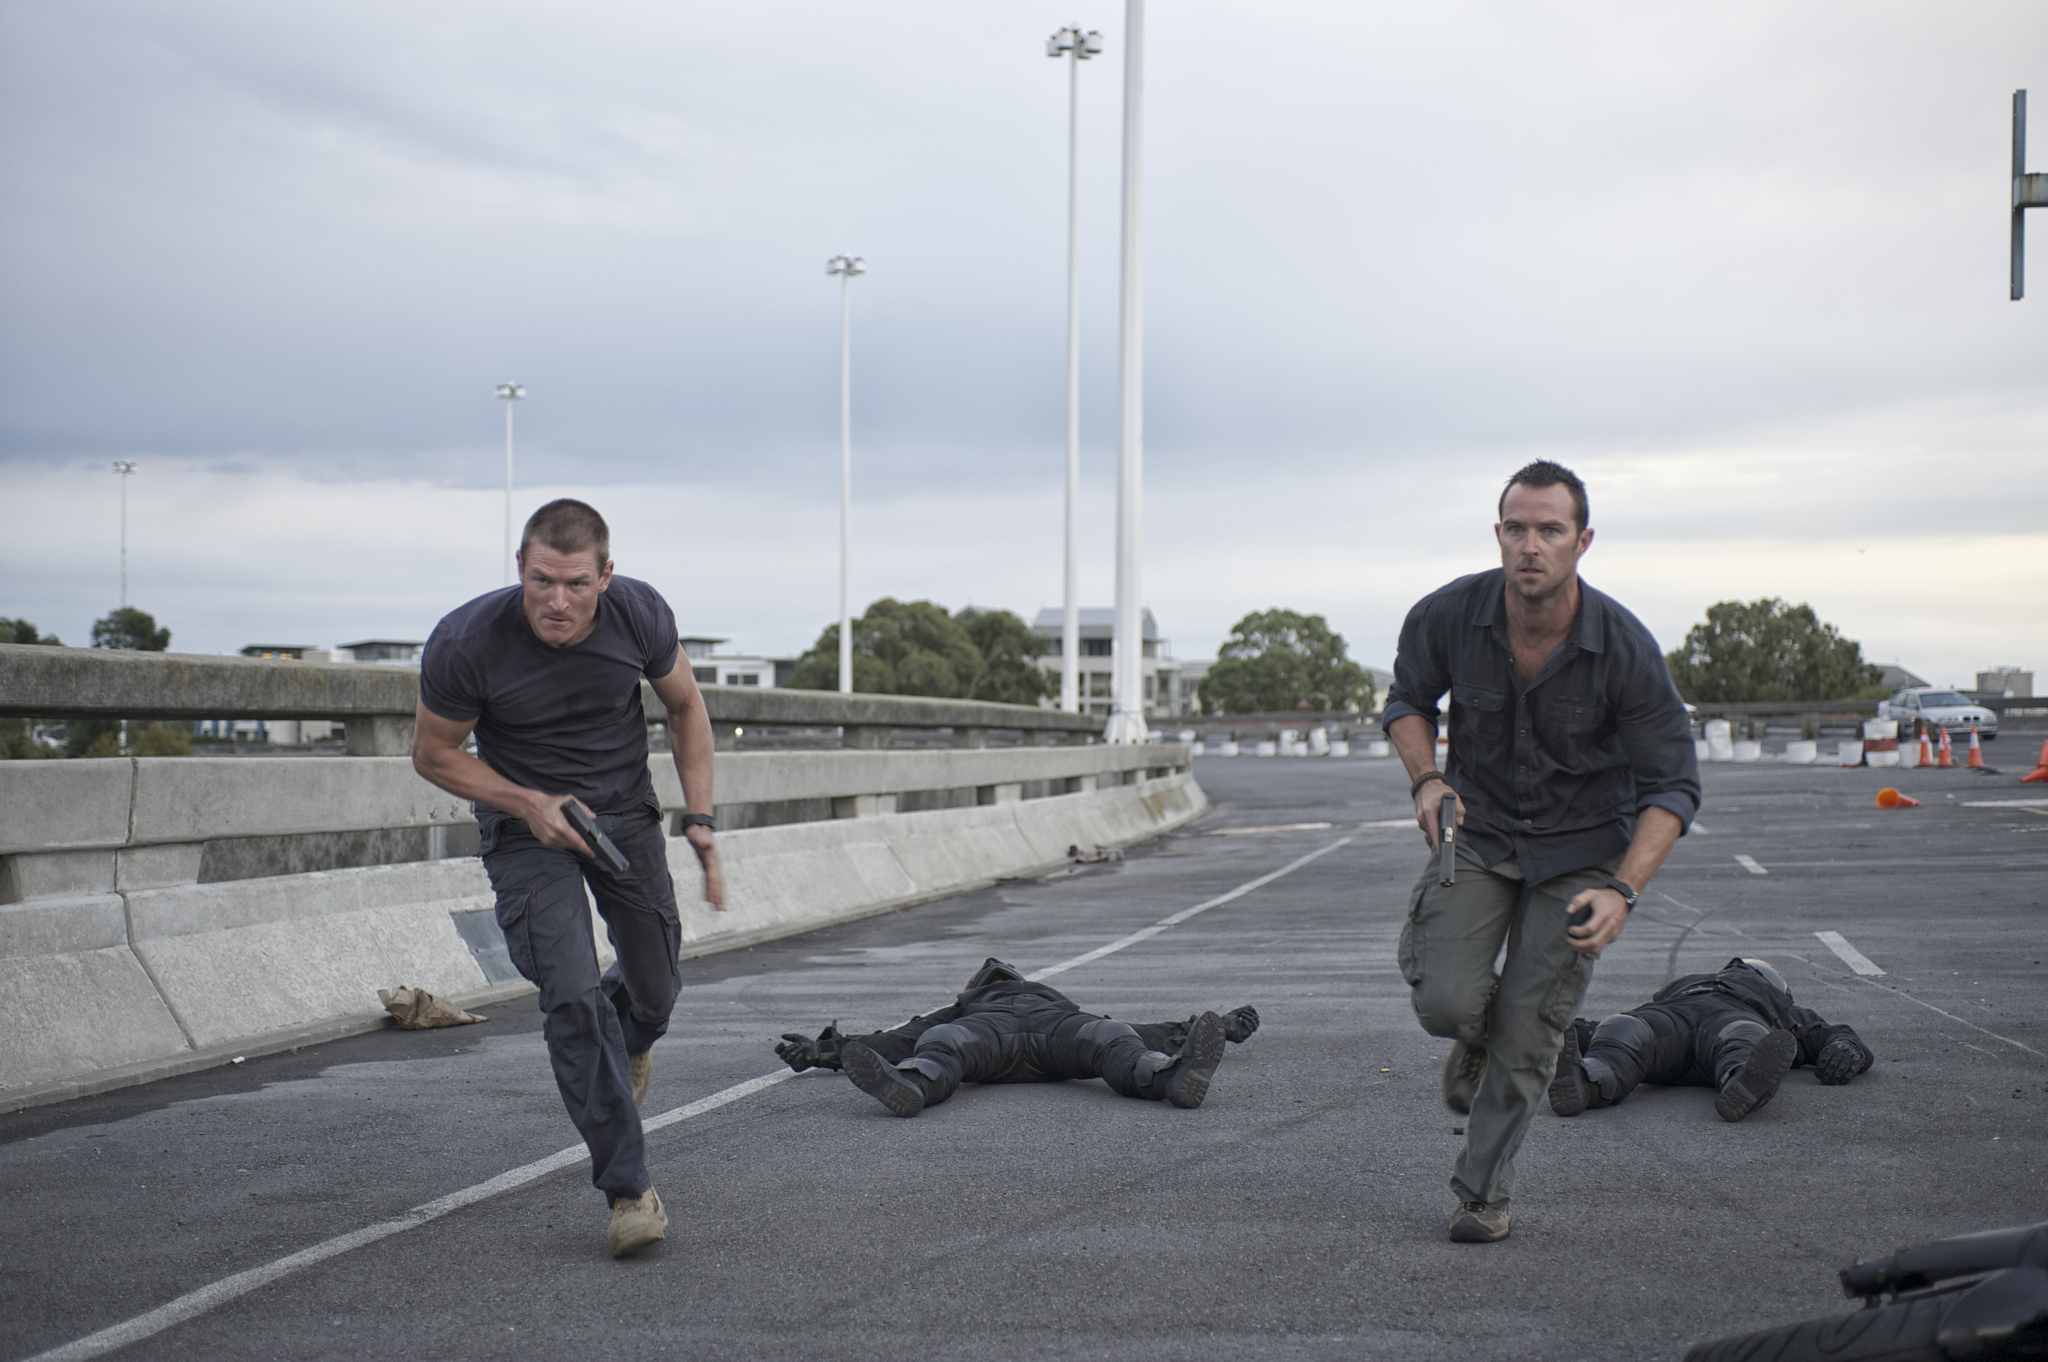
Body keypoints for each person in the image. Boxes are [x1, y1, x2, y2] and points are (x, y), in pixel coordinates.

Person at [1381, 460, 1701, 1244]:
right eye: (1517, 528)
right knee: (1447, 1003)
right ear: (1498, 535)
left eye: (1550, 530)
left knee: (1530, 1032)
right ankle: (1473, 1040)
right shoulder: (1448, 615)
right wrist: (1426, 778)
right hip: (1482, 834)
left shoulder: (1622, 646)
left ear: (1582, 541)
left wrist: (1624, 890)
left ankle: (1480, 1194)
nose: (1532, 545)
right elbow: (1406, 703)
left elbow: (1673, 787)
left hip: (1586, 852)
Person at [411, 499, 724, 1259]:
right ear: (520, 568)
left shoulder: (640, 614)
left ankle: (627, 1037)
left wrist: (702, 820)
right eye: (543, 581)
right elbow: (432, 754)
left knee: (655, 990)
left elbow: (685, 706)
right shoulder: (465, 641)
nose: (559, 601)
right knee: (572, 995)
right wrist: (527, 802)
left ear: (606, 577)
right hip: (526, 833)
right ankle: (628, 1189)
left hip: (624, 815)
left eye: (577, 584)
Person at [773, 957, 1260, 1116]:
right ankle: (911, 1087)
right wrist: (824, 1052)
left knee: (1116, 1037)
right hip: (1014, 1036)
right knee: (937, 1043)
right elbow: (897, 1040)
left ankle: (1171, 1077)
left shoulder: (1050, 1004)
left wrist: (1217, 1030)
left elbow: (1141, 1032)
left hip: (1032, 1034)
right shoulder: (963, 1009)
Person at [1549, 957, 1873, 1122]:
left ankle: (1743, 1081)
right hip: (1685, 1020)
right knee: (1623, 1028)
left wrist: (1846, 1050)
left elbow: (1836, 1035)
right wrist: (1563, 1032)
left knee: (1622, 1030)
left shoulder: (1786, 1013)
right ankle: (1583, 1081)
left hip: (1705, 1022)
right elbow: (1833, 1035)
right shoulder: (1780, 1009)